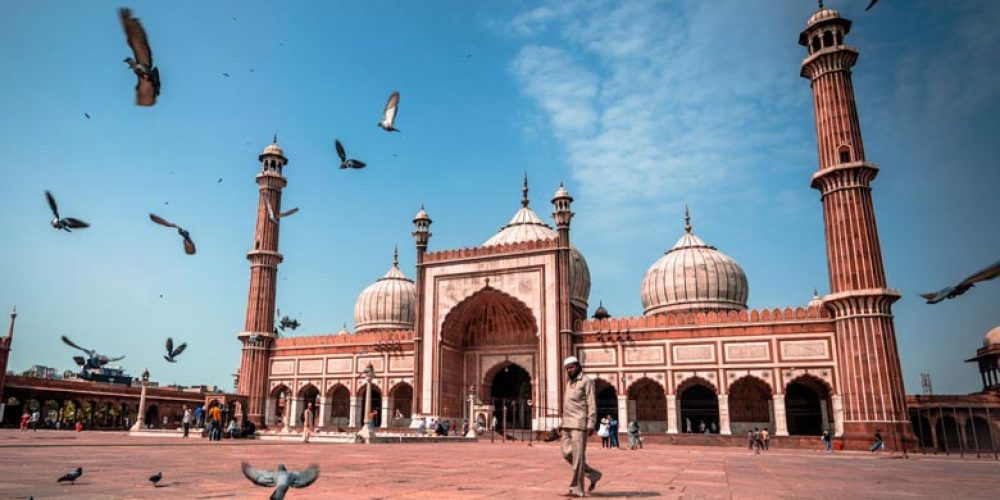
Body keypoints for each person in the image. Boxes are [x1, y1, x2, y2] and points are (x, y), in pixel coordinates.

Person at [559, 356, 601, 497]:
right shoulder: (569, 383)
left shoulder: (586, 381)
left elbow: (591, 403)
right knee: (566, 453)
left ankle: (577, 489)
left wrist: (591, 423)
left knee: (578, 458)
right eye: (567, 368)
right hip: (566, 424)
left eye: (571, 367)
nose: (569, 370)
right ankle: (593, 474)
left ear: (578, 366)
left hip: (579, 424)